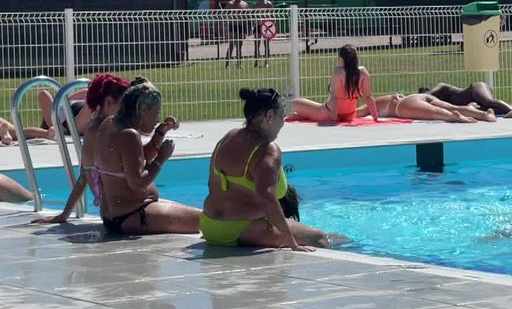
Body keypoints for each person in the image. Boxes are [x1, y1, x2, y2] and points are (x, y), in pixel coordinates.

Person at [30, 74, 177, 224]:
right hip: (127, 212)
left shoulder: (115, 126)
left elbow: (140, 157)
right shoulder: (99, 130)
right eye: (124, 103)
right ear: (108, 102)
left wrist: (160, 132)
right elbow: (85, 173)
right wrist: (64, 214)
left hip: (131, 207)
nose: (130, 108)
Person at [200, 88, 329, 250]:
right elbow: (267, 199)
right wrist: (292, 242)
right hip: (236, 229)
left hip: (209, 224)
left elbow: (212, 184)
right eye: (282, 116)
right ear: (269, 116)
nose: (283, 122)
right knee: (320, 239)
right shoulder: (267, 150)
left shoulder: (228, 137)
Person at [94, 78, 200, 235]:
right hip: (134, 215)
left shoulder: (109, 124)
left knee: (200, 214)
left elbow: (134, 158)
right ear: (142, 110)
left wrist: (160, 132)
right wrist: (161, 159)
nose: (157, 119)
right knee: (207, 220)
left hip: (117, 215)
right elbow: (138, 183)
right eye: (155, 113)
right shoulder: (129, 135)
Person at [291, 44, 379, 123]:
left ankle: (300, 114)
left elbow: (334, 98)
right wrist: (375, 118)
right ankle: (301, 116)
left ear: (341, 59)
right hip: (350, 114)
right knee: (303, 112)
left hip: (329, 112)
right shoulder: (363, 73)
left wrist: (333, 120)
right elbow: (368, 97)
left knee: (295, 103)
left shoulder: (339, 73)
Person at [357, 93, 496, 123]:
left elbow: (357, 113)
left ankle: (453, 117)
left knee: (435, 113)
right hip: (417, 96)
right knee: (453, 106)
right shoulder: (379, 99)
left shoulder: (373, 103)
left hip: (403, 106)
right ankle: (485, 114)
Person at [425, 82, 512, 118]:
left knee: (488, 101)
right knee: (480, 108)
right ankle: (506, 111)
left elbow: (427, 96)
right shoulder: (438, 104)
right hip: (473, 101)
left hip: (474, 90)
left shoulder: (441, 87)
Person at [224, 0, 250, 69]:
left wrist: (249, 28)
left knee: (239, 45)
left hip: (241, 26)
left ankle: (239, 64)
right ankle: (227, 64)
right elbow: (224, 15)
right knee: (231, 44)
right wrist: (224, 25)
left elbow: (248, 16)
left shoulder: (245, 4)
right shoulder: (230, 4)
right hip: (233, 25)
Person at [252, 0, 275, 67]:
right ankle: (256, 62)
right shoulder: (255, 4)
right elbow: (253, 15)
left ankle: (266, 62)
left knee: (266, 44)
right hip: (258, 25)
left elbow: (273, 15)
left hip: (267, 25)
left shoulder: (268, 4)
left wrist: (273, 27)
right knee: (256, 44)